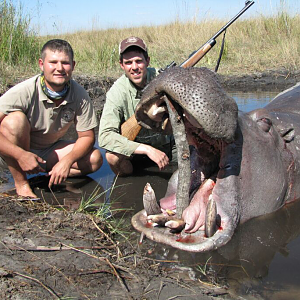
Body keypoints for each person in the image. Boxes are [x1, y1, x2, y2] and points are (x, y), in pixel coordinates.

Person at [0, 39, 102, 198]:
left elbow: (87, 136)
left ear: (73, 65)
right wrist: (21, 155)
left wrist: (67, 161)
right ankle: (21, 183)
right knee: (14, 122)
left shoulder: (79, 94)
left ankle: (49, 175)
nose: (59, 68)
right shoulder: (24, 91)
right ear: (41, 64)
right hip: (15, 150)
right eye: (53, 62)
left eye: (65, 63)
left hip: (47, 150)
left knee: (95, 159)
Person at [98, 36, 176, 176]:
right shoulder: (117, 92)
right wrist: (146, 149)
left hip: (169, 147)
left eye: (139, 61)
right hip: (136, 152)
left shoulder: (164, 78)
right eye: (128, 62)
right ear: (122, 65)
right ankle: (130, 180)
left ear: (147, 61)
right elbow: (105, 136)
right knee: (112, 157)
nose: (134, 67)